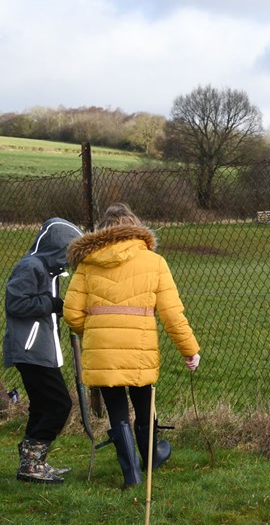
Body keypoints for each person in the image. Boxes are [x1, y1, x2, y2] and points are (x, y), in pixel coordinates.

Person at [64, 204, 200, 488]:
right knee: (143, 402)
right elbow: (172, 314)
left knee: (116, 409)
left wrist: (94, 332)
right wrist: (190, 350)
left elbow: (72, 313)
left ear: (104, 230)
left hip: (101, 348)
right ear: (135, 227)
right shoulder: (154, 262)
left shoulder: (87, 263)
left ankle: (132, 475)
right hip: (139, 348)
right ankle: (151, 458)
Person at [4, 218, 83, 483]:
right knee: (59, 404)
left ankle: (33, 463)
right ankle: (32, 462)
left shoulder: (47, 270)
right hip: (30, 349)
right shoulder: (31, 267)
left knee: (41, 405)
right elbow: (15, 303)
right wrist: (51, 303)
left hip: (40, 349)